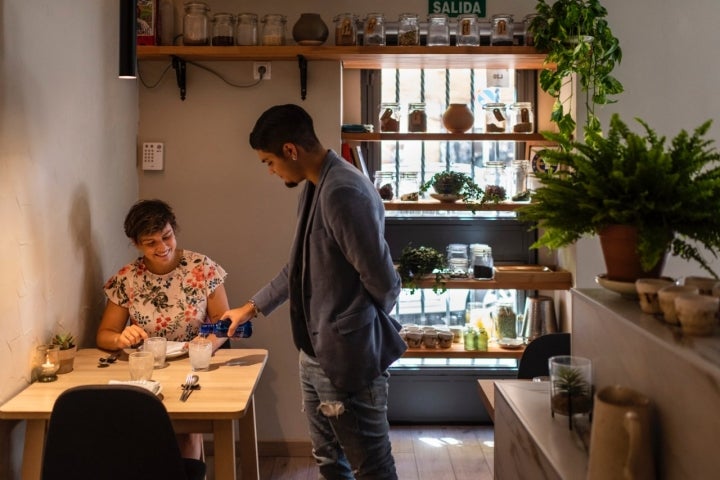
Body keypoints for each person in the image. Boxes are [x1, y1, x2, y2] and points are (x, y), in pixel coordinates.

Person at [222, 104, 407, 479]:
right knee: (329, 462)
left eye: (269, 162)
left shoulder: (343, 191)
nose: (272, 172)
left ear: (291, 150)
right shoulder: (315, 184)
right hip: (314, 355)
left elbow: (384, 282)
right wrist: (250, 307)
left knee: (371, 468)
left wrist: (353, 325)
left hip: (345, 359)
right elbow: (300, 267)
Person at [97, 198, 229, 459]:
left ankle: (191, 471)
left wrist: (207, 344)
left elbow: (224, 323)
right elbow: (104, 335)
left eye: (166, 237)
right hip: (147, 368)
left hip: (193, 365)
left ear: (174, 230)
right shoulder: (127, 278)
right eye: (151, 243)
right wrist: (121, 338)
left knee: (186, 430)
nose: (162, 247)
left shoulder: (201, 268)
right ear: (136, 244)